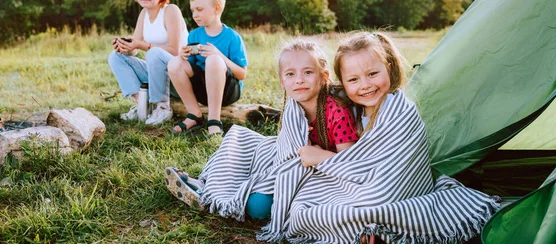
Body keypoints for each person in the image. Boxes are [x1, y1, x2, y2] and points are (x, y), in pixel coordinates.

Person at [167, 31, 499, 243]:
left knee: (289, 209)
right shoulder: (331, 105)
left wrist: (313, 159)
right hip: (318, 167)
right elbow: (291, 153)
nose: (365, 85)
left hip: (367, 182)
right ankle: (209, 187)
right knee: (247, 147)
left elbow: (371, 171)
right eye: (354, 79)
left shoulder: (396, 111)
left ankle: (365, 232)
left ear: (390, 70)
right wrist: (300, 161)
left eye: (373, 74)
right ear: (342, 82)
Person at [164, 39, 358, 220]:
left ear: (323, 77)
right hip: (289, 158)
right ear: (282, 81)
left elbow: (349, 163)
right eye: (290, 74)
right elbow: (286, 146)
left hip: (320, 171)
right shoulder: (294, 104)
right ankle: (205, 185)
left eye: (308, 72)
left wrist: (316, 154)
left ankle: (215, 194)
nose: (299, 80)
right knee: (241, 142)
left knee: (258, 206)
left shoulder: (336, 112)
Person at [108, 0, 188, 125]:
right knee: (115, 57)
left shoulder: (171, 11)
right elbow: (135, 48)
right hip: (157, 73)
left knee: (154, 53)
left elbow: (175, 51)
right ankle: (143, 103)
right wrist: (124, 47)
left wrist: (143, 45)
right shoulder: (144, 14)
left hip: (179, 77)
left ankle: (163, 107)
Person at [168, 0, 248, 135]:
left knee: (213, 60)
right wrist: (183, 56)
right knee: (174, 62)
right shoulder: (194, 35)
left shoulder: (232, 37)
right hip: (202, 90)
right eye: (192, 10)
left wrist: (219, 56)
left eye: (199, 9)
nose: (195, 15)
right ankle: (194, 115)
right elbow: (189, 69)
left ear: (216, 9)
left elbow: (242, 74)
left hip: (227, 91)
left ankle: (214, 119)